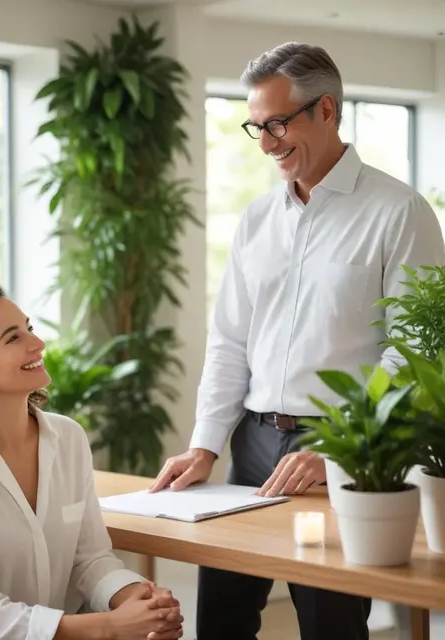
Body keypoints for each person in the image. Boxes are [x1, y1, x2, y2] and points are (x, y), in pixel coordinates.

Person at [149, 41, 445, 640]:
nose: (266, 143)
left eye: (278, 123)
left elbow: (413, 350)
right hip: (251, 445)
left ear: (327, 111)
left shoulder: (400, 212)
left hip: (340, 448)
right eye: (255, 127)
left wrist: (340, 451)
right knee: (222, 624)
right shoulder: (257, 219)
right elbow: (230, 340)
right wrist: (205, 444)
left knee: (331, 626)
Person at [0, 280, 184, 640]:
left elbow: (89, 559)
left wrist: (139, 599)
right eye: (13, 338)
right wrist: (112, 627)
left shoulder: (68, 438)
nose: (37, 344)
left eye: (29, 329)